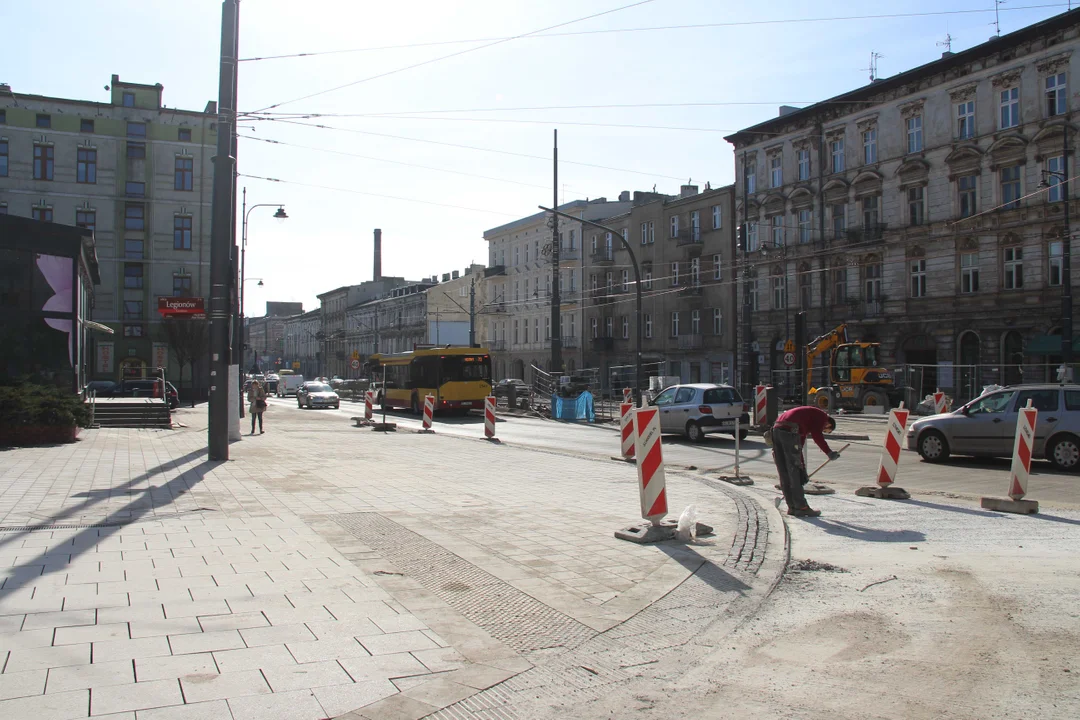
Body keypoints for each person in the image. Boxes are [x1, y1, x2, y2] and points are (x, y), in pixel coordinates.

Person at [771, 405, 840, 517]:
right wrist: (829, 452)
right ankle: (801, 507)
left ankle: (792, 507)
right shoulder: (822, 417)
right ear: (828, 424)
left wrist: (802, 467)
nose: (824, 430)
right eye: (826, 430)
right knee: (793, 472)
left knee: (784, 471)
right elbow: (817, 436)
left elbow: (799, 447)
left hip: (776, 430)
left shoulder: (806, 420)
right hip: (789, 431)